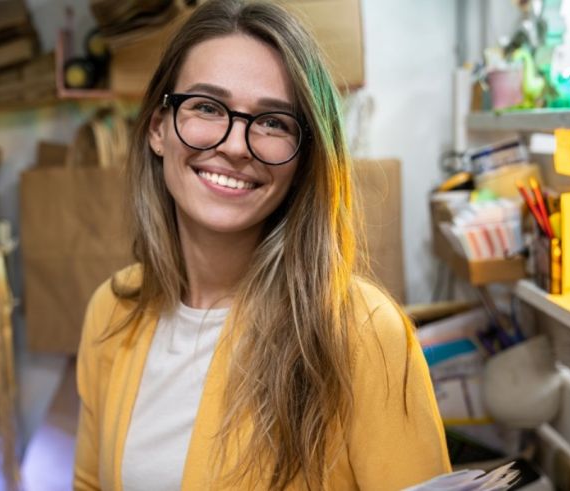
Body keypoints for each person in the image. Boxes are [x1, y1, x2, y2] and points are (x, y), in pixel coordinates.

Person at [73, 1, 450, 489]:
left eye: (273, 122)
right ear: (158, 128)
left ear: (303, 159)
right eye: (207, 107)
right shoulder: (113, 310)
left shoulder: (362, 333)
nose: (234, 145)